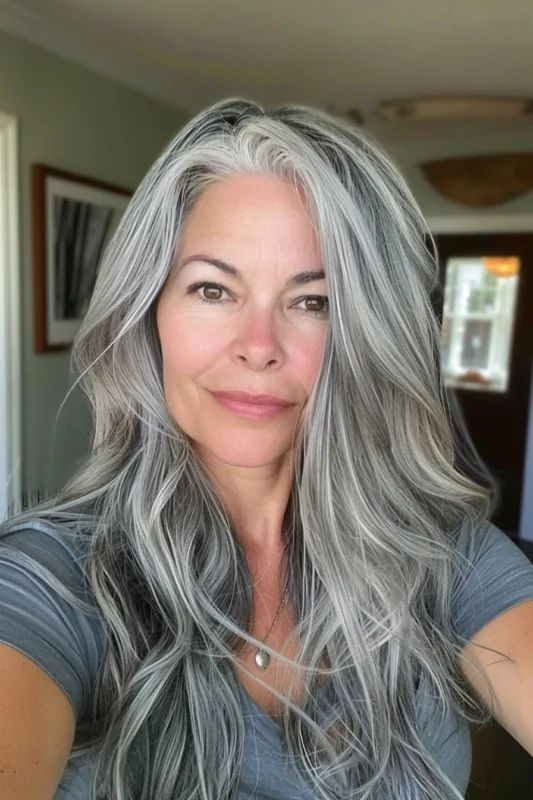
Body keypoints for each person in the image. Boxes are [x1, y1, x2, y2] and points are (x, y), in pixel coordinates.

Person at [1, 98, 533, 800]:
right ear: (148, 312)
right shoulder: (52, 580)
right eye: (212, 289)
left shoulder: (443, 555)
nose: (258, 347)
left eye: (313, 302)